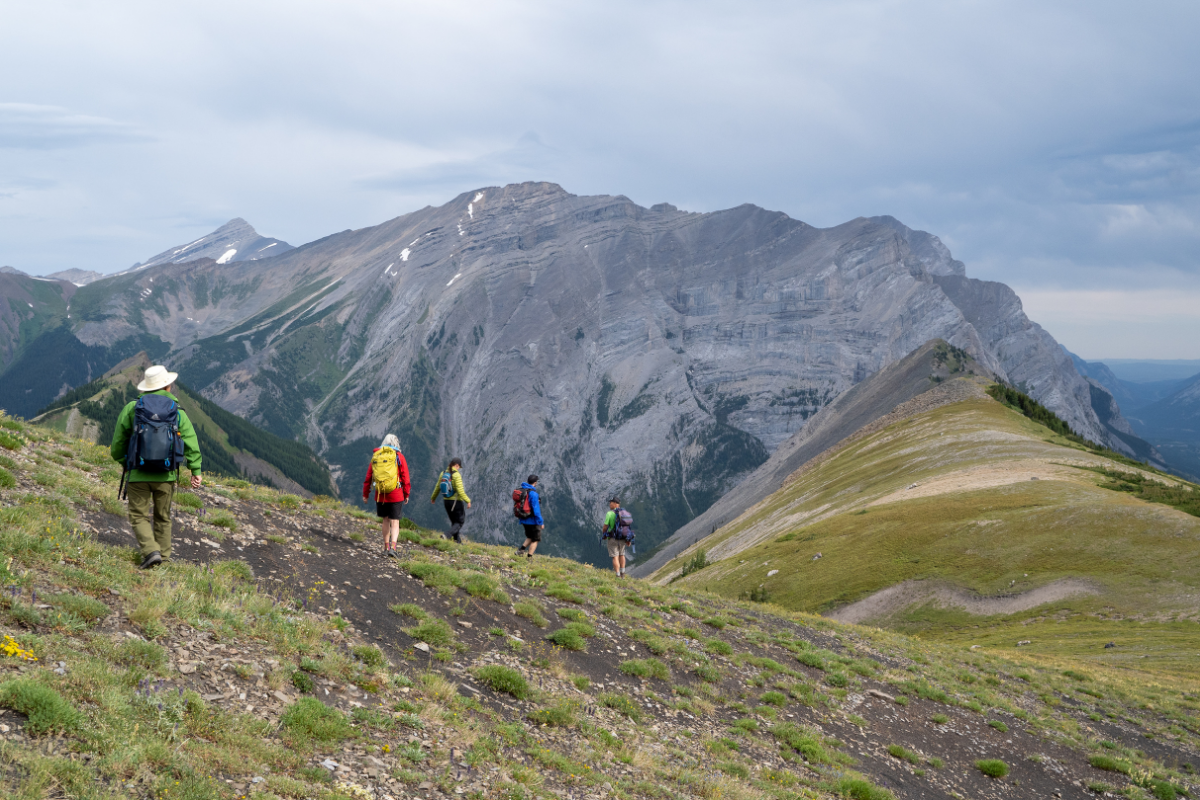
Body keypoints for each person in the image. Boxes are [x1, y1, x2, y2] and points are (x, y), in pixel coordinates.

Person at [110, 364, 203, 570]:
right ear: (168, 386)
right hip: (166, 475)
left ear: (146, 387)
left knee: (138, 516)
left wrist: (127, 462)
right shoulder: (177, 412)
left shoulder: (132, 408)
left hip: (138, 475)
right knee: (163, 517)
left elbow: (117, 445)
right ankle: (164, 559)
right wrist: (195, 470)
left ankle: (151, 552)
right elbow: (191, 442)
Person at [362, 434, 410, 557]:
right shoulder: (399, 456)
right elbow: (405, 477)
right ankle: (393, 548)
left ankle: (385, 547)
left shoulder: (377, 455)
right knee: (395, 522)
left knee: (385, 520)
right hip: (396, 493)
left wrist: (366, 493)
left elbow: (369, 476)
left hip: (381, 494)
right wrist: (406, 493)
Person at [430, 457, 471, 543]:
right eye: (459, 466)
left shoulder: (443, 473)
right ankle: (447, 535)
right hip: (456, 502)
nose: (459, 468)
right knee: (459, 522)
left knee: (454, 522)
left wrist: (433, 497)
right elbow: (460, 491)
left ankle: (457, 542)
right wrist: (468, 501)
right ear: (456, 465)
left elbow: (438, 487)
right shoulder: (456, 475)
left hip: (446, 502)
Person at [601, 495, 631, 577]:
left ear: (615, 503)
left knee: (615, 556)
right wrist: (628, 539)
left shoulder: (609, 513)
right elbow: (627, 526)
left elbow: (605, 526)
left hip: (612, 538)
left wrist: (604, 534)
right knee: (622, 554)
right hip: (622, 537)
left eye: (611, 503)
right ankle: (623, 573)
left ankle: (617, 575)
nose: (609, 504)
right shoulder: (624, 512)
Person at [515, 474, 543, 559]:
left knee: (530, 536)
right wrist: (540, 522)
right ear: (535, 482)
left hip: (523, 518)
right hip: (532, 520)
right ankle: (529, 558)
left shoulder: (523, 490)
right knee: (536, 539)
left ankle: (520, 550)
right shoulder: (533, 494)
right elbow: (536, 510)